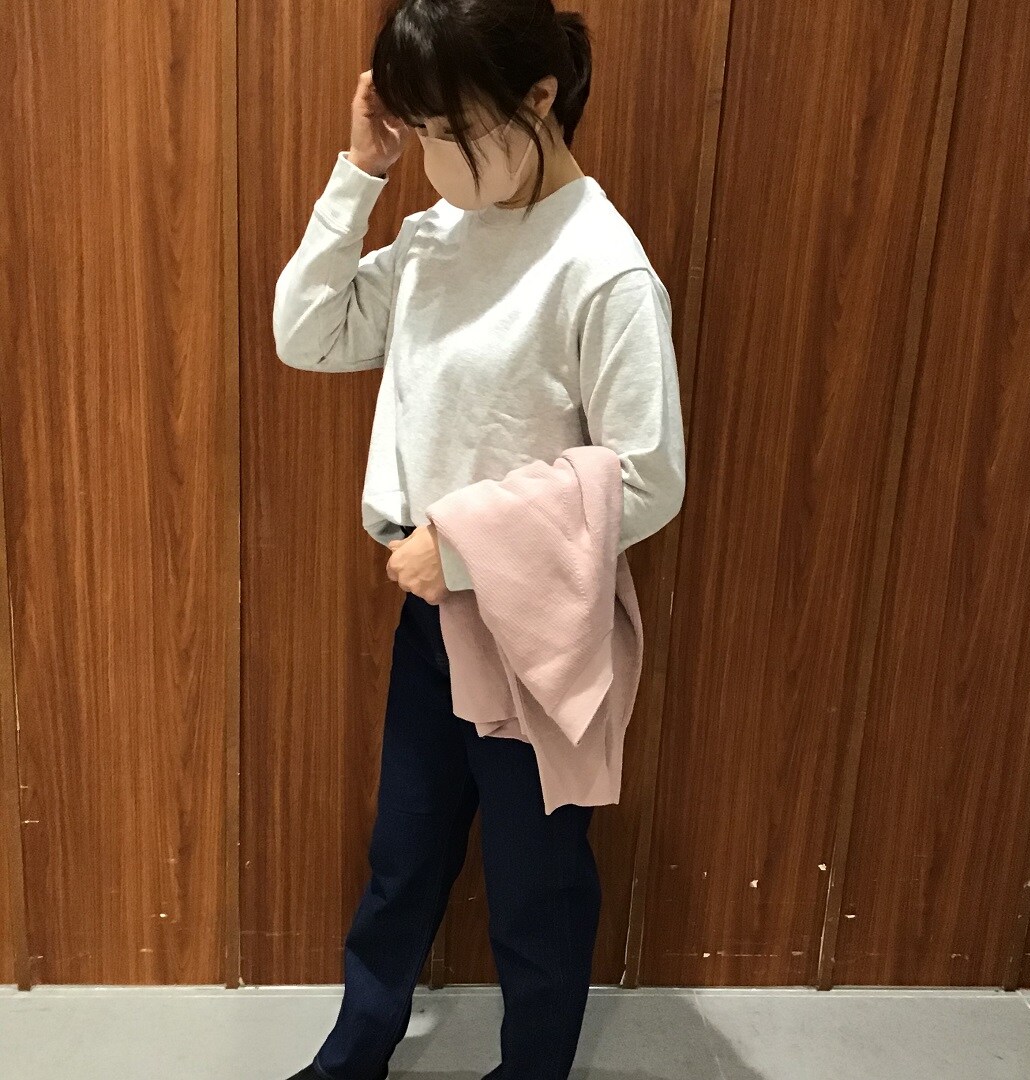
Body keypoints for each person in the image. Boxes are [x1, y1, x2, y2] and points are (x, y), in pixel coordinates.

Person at [272, 1, 685, 1077]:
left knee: (537, 882)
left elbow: (648, 477)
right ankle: (356, 1048)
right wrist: (360, 175)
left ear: (540, 98)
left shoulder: (603, 268)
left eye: (452, 132)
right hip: (434, 619)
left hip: (535, 631)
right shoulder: (433, 238)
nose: (436, 161)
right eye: (420, 132)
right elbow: (307, 334)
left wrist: (458, 544)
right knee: (403, 856)